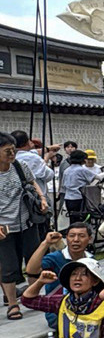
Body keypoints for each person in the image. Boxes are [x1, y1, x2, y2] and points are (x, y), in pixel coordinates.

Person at [0, 132, 46, 319]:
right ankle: (12, 303)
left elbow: (32, 183)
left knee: (34, 261)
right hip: (4, 226)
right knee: (8, 266)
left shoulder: (20, 166)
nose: (11, 155)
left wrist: (42, 198)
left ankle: (32, 296)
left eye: (13, 150)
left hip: (27, 222)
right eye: (7, 151)